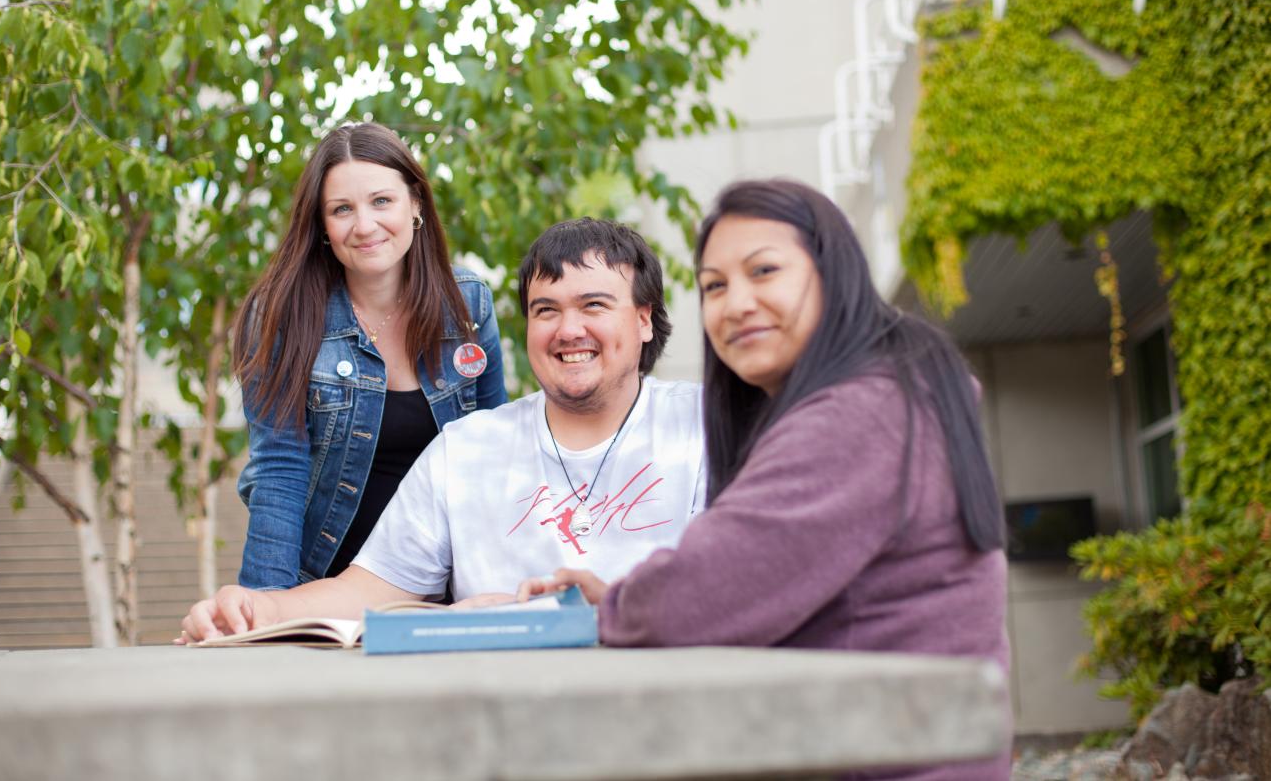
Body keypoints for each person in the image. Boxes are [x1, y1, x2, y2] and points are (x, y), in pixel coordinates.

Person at [519, 181, 1011, 781]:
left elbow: (708, 589)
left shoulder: (861, 415)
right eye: (715, 286)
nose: (737, 304)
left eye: (764, 271)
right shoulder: (895, 389)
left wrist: (616, 608)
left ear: (834, 275)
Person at [181, 218, 706, 639]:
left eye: (594, 305)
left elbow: (737, 587)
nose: (568, 330)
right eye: (546, 310)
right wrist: (256, 608)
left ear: (644, 319)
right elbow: (370, 590)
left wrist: (610, 609)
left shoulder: (707, 427)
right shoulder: (465, 448)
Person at [233, 123, 506, 590]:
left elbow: (493, 453)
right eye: (342, 209)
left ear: (415, 203)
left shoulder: (467, 305)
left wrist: (497, 584)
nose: (364, 226)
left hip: (448, 587)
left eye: (381, 201)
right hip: (323, 586)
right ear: (322, 225)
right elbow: (279, 469)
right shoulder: (282, 315)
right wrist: (269, 604)